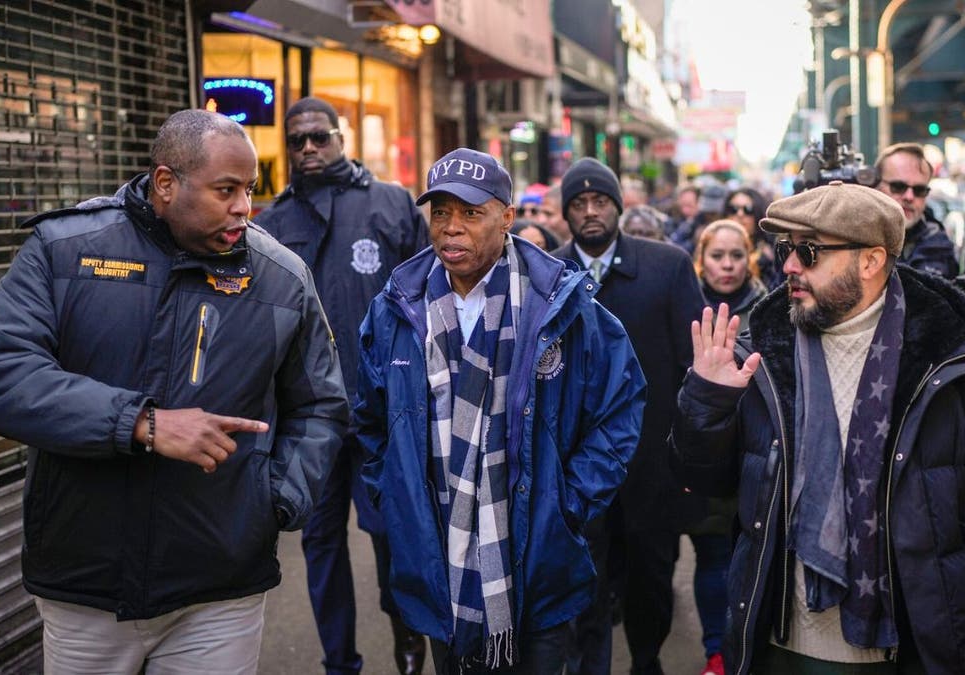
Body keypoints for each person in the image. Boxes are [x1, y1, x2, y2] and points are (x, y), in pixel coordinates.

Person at [0, 109, 349, 674]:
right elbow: (3, 375)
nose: (244, 206)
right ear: (167, 184)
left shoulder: (281, 277)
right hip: (87, 586)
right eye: (226, 190)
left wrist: (272, 504)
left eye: (249, 189)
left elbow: (320, 406)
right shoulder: (63, 249)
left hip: (221, 587)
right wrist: (142, 423)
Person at [672, 180, 965, 674]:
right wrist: (708, 401)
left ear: (871, 261)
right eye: (786, 249)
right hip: (778, 648)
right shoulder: (759, 355)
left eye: (809, 251)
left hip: (913, 650)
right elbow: (705, 486)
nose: (790, 266)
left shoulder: (953, 366)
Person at [354, 148, 646, 675]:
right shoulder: (397, 307)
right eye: (440, 212)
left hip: (537, 553)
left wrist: (569, 502)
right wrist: (396, 496)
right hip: (437, 552)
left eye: (471, 213)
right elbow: (370, 418)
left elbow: (620, 408)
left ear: (507, 218)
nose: (451, 229)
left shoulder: (558, 302)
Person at [252, 97, 429, 675]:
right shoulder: (271, 222)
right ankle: (339, 662)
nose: (308, 148)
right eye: (296, 140)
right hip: (308, 419)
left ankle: (408, 638)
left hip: (383, 409)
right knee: (320, 544)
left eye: (318, 137)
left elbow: (431, 300)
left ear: (341, 137)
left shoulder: (391, 203)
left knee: (391, 535)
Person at [553, 157, 706, 675]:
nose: (590, 212)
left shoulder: (667, 266)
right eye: (579, 204)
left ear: (618, 207)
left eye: (600, 202)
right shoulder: (543, 273)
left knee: (650, 574)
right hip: (573, 461)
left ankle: (646, 659)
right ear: (566, 213)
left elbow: (694, 365)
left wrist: (686, 451)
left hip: (650, 461)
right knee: (584, 577)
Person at [687, 220, 768, 675]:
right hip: (708, 449)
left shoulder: (770, 304)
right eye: (718, 256)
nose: (728, 265)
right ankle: (716, 651)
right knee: (712, 556)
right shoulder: (687, 302)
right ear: (703, 258)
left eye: (736, 255)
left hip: (753, 453)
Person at [873, 142, 959, 278]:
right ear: (875, 186)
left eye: (919, 190)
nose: (909, 197)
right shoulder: (853, 238)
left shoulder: (941, 248)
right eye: (898, 186)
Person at [725, 187, 781, 289]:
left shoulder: (772, 251)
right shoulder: (713, 243)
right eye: (733, 209)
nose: (740, 214)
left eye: (748, 209)